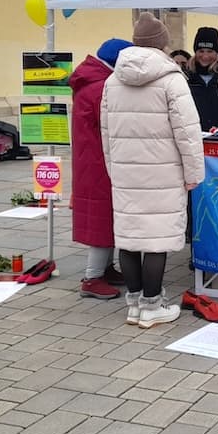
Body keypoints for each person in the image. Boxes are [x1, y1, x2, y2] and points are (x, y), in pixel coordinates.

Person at [101, 13, 205, 329]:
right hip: (163, 173)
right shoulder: (172, 78)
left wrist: (112, 168)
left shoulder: (111, 80)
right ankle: (152, 304)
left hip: (125, 171)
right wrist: (194, 173)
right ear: (162, 44)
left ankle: (134, 304)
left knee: (131, 238)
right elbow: (187, 132)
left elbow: (105, 131)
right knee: (157, 239)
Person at [69, 38, 132, 300]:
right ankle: (92, 278)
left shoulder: (94, 82)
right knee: (102, 219)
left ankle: (106, 269)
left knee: (107, 216)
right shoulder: (100, 88)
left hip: (92, 161)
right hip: (99, 163)